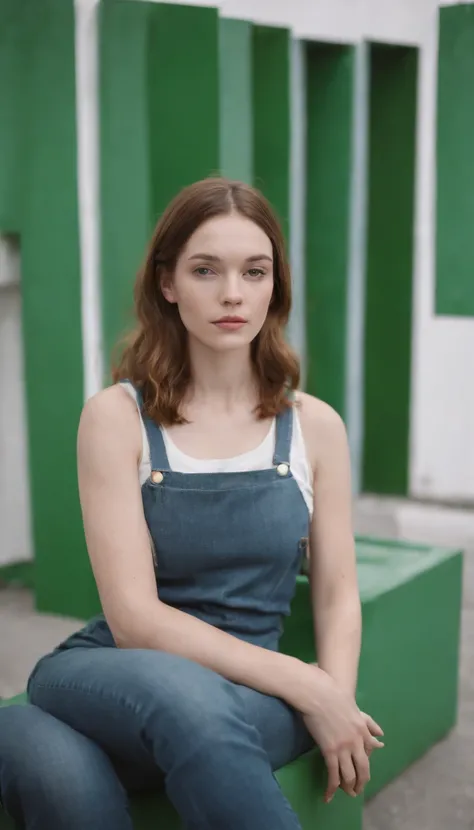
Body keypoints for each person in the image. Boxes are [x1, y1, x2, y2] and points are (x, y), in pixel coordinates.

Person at [0, 178, 383, 829]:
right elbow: (135, 622)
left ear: (275, 286)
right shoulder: (118, 419)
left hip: (254, 696)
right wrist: (305, 681)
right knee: (61, 753)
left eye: (254, 271)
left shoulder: (313, 427)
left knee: (65, 744)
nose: (233, 293)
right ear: (168, 283)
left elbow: (337, 592)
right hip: (116, 670)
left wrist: (332, 694)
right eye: (206, 270)